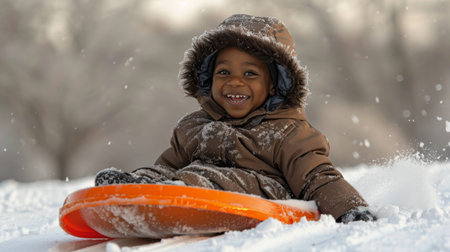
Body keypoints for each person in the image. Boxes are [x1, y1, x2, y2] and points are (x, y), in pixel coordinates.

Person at [95, 14, 376, 223]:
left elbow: (319, 176)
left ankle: (176, 192)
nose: (235, 83)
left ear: (274, 84)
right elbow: (168, 164)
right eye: (224, 73)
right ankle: (131, 189)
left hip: (258, 194)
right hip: (190, 187)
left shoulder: (288, 133)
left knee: (210, 176)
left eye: (250, 74)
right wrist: (148, 178)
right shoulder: (194, 127)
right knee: (166, 173)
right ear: (208, 78)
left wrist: (350, 208)